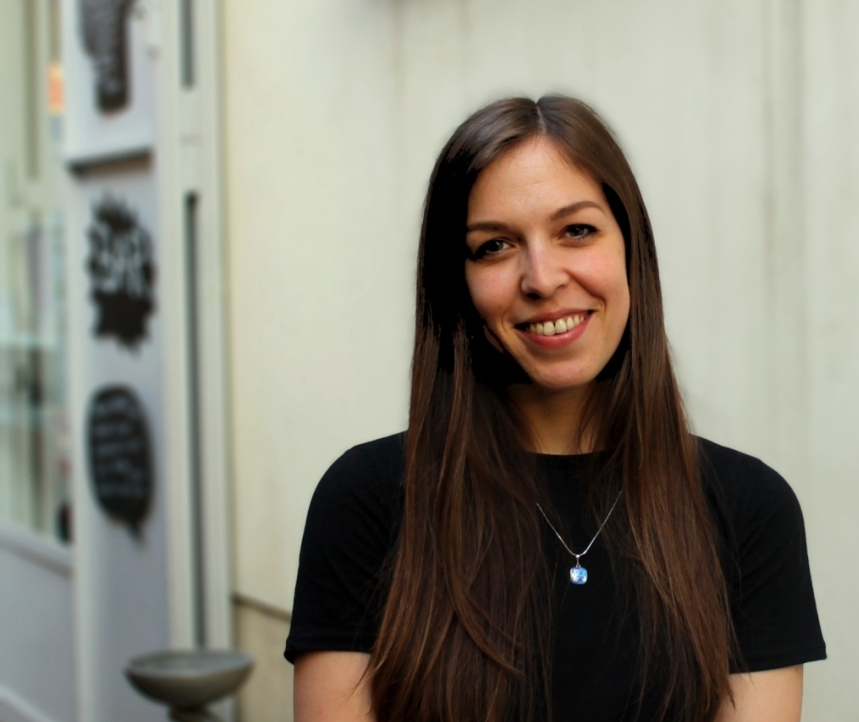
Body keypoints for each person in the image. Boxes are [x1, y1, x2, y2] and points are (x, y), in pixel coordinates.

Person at [286, 95, 826, 722]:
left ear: (631, 249)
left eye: (576, 231)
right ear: (456, 284)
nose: (541, 278)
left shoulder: (749, 509)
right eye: (494, 246)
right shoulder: (367, 501)